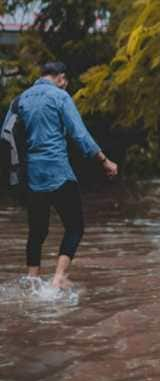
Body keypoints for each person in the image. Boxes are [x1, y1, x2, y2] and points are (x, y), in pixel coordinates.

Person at [2, 62, 118, 288]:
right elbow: (80, 134)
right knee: (75, 226)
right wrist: (104, 161)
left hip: (32, 175)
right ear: (61, 78)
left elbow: (5, 136)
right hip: (58, 172)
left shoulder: (20, 99)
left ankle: (32, 280)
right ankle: (59, 278)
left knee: (37, 230)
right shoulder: (60, 96)